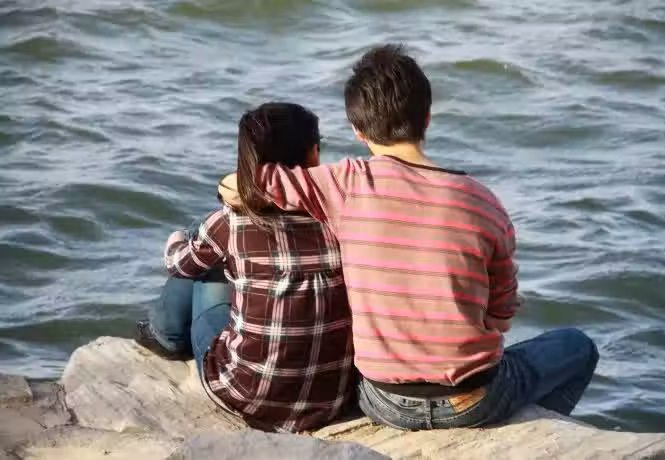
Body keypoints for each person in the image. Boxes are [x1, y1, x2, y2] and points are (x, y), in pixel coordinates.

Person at [217, 44, 599, 430]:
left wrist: (231, 191)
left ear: (357, 130)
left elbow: (247, 181)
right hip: (472, 400)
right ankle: (526, 428)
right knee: (577, 347)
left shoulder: (345, 182)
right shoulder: (484, 202)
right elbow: (501, 316)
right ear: (428, 118)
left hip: (382, 400)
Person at [135, 102, 355, 433]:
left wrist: (176, 241)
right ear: (313, 154)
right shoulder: (343, 218)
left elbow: (178, 265)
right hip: (329, 400)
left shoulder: (232, 222)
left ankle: (165, 336)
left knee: (203, 261)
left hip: (246, 395)